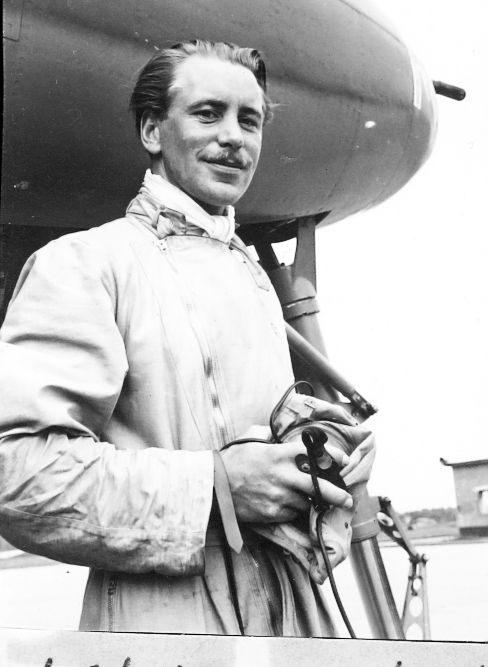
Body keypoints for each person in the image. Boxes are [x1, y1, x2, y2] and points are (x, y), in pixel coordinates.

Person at [0, 40, 375, 636]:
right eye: (207, 114)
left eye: (249, 120)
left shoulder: (250, 275)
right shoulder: (84, 264)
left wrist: (321, 462)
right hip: (167, 624)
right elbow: (17, 474)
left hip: (294, 617)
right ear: (152, 130)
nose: (233, 137)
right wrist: (217, 488)